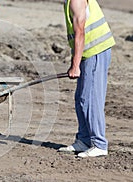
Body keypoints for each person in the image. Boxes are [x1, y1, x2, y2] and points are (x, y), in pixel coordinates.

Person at [58, 0, 115, 157]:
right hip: (87, 52)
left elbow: (80, 32)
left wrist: (75, 66)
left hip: (95, 50)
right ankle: (84, 140)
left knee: (91, 98)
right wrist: (75, 61)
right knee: (81, 98)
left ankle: (99, 144)